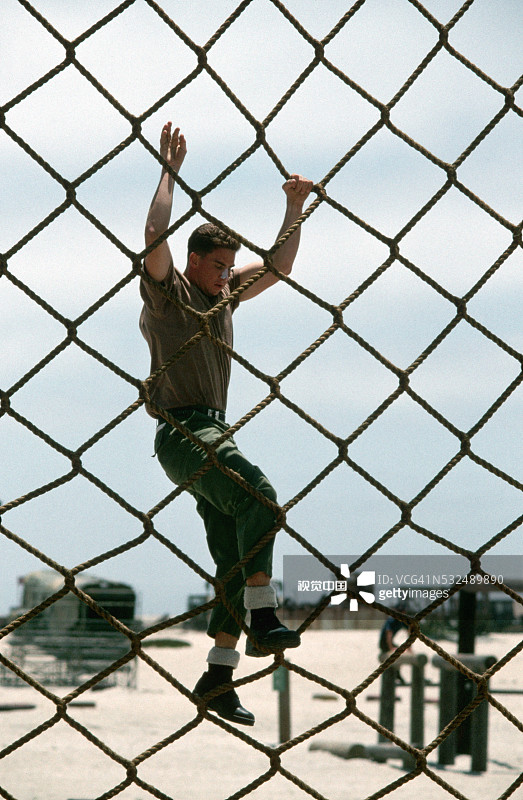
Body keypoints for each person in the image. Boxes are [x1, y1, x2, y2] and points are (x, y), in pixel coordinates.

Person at [140, 121, 313, 726]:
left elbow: (279, 267)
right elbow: (154, 236)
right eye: (217, 265)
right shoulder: (170, 293)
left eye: (228, 267)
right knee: (259, 495)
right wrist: (169, 172)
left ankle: (218, 677)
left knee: (232, 559)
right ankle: (264, 615)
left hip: (215, 431)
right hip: (184, 431)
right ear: (193, 261)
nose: (224, 275)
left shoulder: (223, 295)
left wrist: (294, 208)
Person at [378, 608, 411, 685]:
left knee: (400, 652)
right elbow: (388, 634)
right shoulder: (392, 620)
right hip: (384, 643)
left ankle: (397, 673)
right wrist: (391, 648)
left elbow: (409, 633)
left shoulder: (402, 621)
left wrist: (410, 648)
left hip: (390, 642)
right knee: (396, 654)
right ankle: (397, 674)